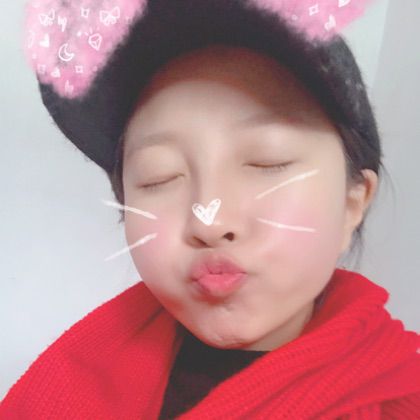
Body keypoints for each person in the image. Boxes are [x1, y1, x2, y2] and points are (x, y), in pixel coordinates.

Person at [1, 0, 419, 418]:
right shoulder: (70, 379)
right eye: (158, 177)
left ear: (352, 204)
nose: (210, 220)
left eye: (266, 162)